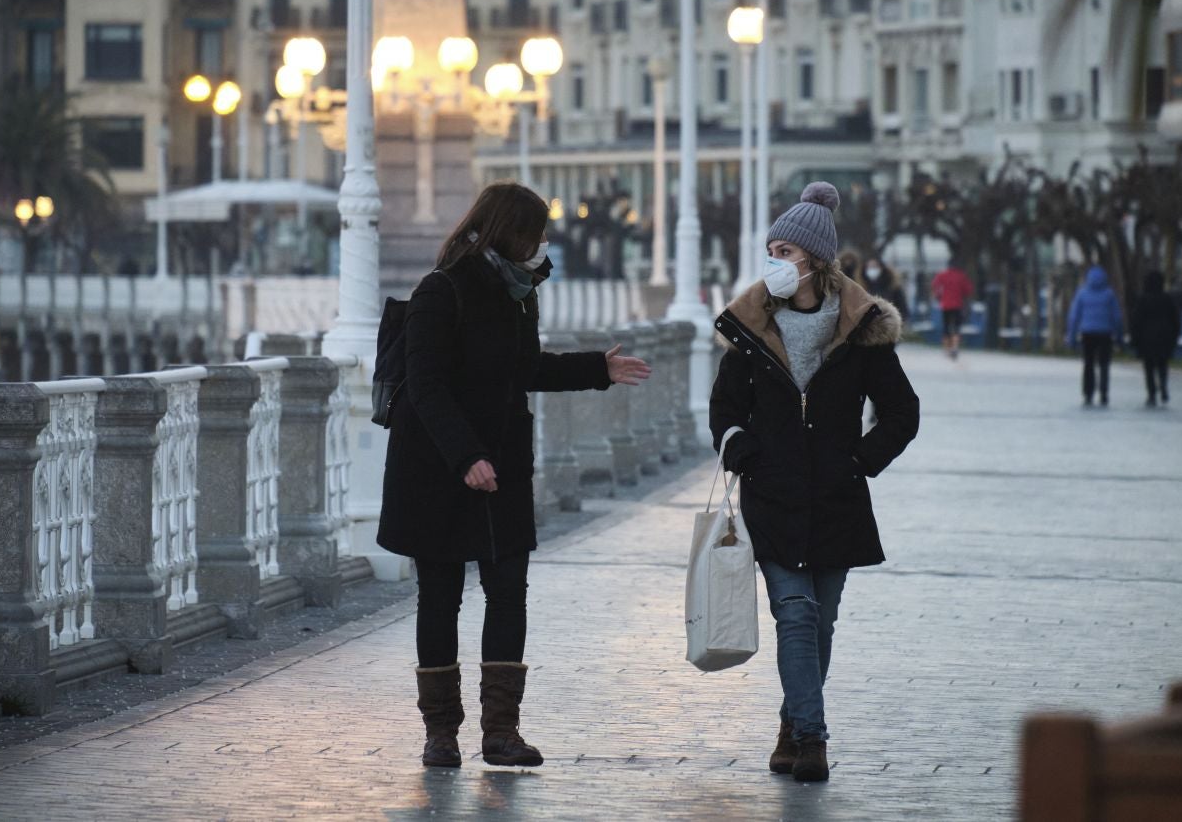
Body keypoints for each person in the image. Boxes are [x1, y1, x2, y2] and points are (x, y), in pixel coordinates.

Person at [377, 182, 652, 769]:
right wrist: (464, 457)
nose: (545, 241)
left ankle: (501, 731)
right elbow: (425, 387)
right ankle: (441, 733)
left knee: (508, 596)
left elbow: (525, 368)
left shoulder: (520, 292)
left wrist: (597, 369)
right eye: (537, 231)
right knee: (440, 598)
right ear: (508, 230)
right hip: (437, 471)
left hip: (501, 468)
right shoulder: (440, 290)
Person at [709, 182, 920, 783]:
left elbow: (902, 412)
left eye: (785, 250)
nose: (775, 260)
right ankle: (813, 737)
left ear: (814, 260)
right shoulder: (749, 329)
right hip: (772, 496)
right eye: (771, 249)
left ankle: (790, 722)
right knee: (795, 615)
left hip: (836, 499)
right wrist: (742, 451)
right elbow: (723, 410)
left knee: (820, 624)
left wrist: (859, 461)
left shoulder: (861, 331)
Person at [1067, 265, 1125, 407]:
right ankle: (1104, 393)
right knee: (1104, 365)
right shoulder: (1109, 294)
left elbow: (1074, 317)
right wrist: (1119, 336)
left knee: (1088, 365)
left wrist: (1071, 337)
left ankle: (1088, 394)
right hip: (1105, 334)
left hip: (1087, 333)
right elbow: (1117, 317)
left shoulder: (1082, 293)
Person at [1130, 270, 1181, 407]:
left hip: (1146, 339)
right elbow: (1175, 320)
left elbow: (1136, 321)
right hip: (1164, 337)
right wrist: (1174, 337)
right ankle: (1163, 386)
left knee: (1149, 368)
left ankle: (1152, 393)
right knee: (1163, 365)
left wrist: (1135, 340)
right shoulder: (1167, 299)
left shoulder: (1142, 300)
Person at [931, 259, 974, 359]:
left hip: (945, 305)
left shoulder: (942, 275)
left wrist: (938, 295)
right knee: (956, 327)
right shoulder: (961, 276)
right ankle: (954, 347)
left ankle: (946, 349)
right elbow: (968, 290)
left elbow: (935, 285)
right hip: (957, 305)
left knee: (946, 326)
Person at [862, 256, 910, 322]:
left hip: (890, 325)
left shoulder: (892, 286)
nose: (872, 270)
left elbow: (903, 308)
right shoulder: (861, 287)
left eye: (874, 267)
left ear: (881, 268)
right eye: (869, 267)